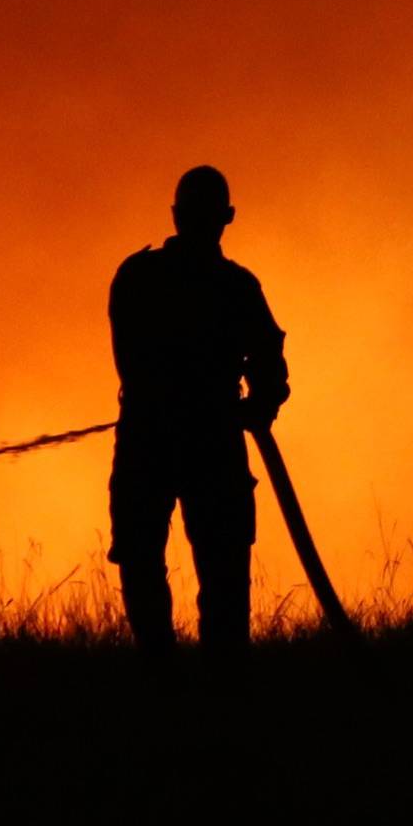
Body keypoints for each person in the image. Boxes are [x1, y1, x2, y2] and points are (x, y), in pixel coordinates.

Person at [108, 166, 289, 662]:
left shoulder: (137, 275)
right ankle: (216, 678)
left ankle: (169, 672)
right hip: (206, 439)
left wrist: (258, 402)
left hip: (151, 437)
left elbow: (128, 359)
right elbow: (270, 363)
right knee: (215, 562)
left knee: (159, 559)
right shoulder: (235, 285)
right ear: (228, 217)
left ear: (176, 215)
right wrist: (259, 404)